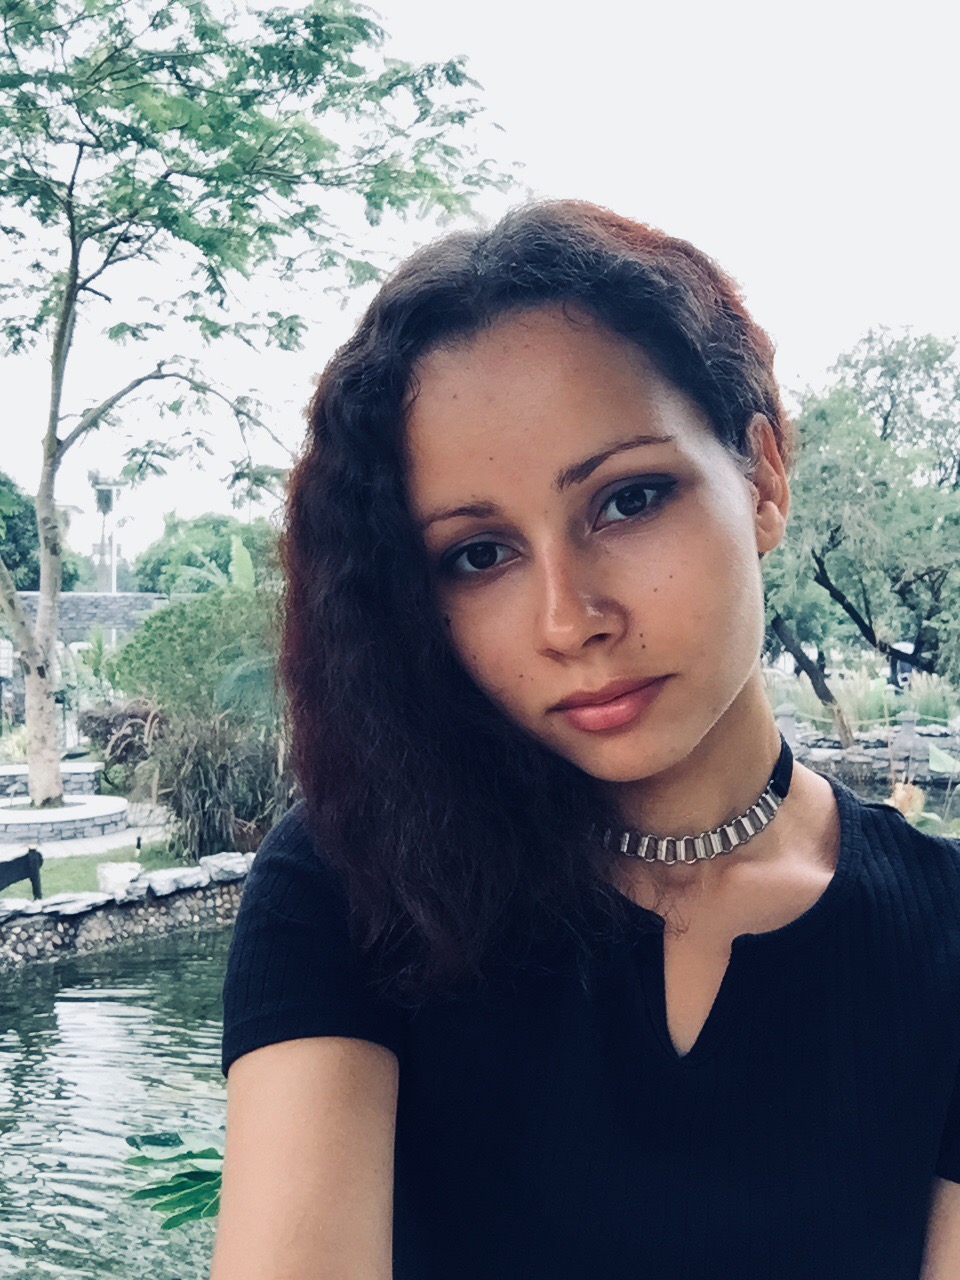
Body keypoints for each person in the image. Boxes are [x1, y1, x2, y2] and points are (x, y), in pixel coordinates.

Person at [209, 201, 960, 1280]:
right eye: (478, 555)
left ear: (762, 477)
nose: (570, 621)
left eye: (629, 499)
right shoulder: (360, 883)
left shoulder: (945, 935)